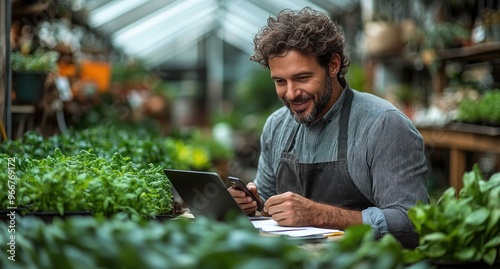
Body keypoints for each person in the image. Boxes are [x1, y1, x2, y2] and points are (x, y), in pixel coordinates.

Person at [228, 7, 429, 248]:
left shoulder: (383, 124)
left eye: (302, 78)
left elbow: (411, 222)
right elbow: (267, 215)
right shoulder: (276, 126)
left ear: (333, 65)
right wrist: (251, 207)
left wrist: (319, 215)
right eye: (280, 81)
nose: (291, 93)